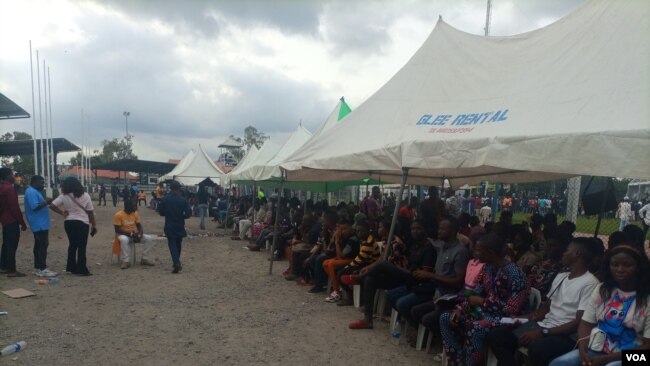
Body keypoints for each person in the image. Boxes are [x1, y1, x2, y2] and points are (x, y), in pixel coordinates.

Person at [486, 237, 599, 366]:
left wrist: (543, 332)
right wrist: (520, 319)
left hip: (566, 335)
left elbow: (579, 322)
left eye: (567, 250)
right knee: (497, 336)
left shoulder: (590, 283)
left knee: (537, 349)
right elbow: (544, 310)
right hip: (545, 326)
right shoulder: (561, 277)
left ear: (577, 253)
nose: (564, 253)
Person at [549, 244, 650, 366]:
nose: (620, 269)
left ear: (639, 267)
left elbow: (647, 347)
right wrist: (583, 351)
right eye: (615, 265)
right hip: (597, 350)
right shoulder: (602, 290)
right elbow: (586, 323)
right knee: (559, 363)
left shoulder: (646, 298)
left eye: (627, 265)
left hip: (636, 357)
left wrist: (607, 359)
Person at [439, 233, 530, 366]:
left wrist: (482, 302)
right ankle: (458, 361)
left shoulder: (514, 274)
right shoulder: (487, 268)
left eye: (478, 250)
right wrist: (459, 309)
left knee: (475, 327)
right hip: (488, 314)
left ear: (491, 252)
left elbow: (513, 308)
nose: (474, 253)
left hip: (512, 319)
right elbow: (475, 293)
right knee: (447, 318)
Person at [348, 219, 436, 329]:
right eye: (413, 229)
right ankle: (368, 319)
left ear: (425, 230)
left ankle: (360, 278)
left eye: (418, 228)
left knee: (383, 264)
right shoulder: (414, 245)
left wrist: (399, 269)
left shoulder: (428, 249)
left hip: (415, 281)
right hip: (404, 276)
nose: (414, 231)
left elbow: (423, 274)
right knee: (370, 279)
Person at [50, 177, 97, 276]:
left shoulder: (64, 195)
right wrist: (94, 224)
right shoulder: (85, 195)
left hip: (69, 222)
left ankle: (70, 268)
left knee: (72, 245)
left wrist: (62, 213)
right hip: (82, 222)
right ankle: (81, 269)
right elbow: (90, 212)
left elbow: (52, 206)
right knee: (81, 246)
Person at [23, 175, 57, 277]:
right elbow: (35, 207)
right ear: (34, 182)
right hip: (39, 223)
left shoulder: (34, 191)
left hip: (40, 222)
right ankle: (42, 268)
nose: (43, 185)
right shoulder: (31, 192)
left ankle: (38, 267)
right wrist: (47, 201)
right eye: (41, 183)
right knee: (43, 244)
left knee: (38, 245)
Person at [158, 180, 191, 274]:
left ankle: (176, 262)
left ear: (170, 188)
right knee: (178, 243)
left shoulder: (165, 199)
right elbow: (188, 214)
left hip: (169, 224)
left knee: (171, 243)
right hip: (180, 224)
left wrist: (168, 213)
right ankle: (176, 261)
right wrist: (181, 216)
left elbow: (161, 212)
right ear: (179, 189)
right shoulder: (183, 199)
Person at [0, 168, 28, 277]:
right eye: (12, 174)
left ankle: (3, 266)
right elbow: (14, 208)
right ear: (7, 175)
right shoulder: (9, 189)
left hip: (4, 219)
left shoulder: (1, 187)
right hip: (12, 219)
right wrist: (22, 222)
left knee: (6, 244)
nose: (14, 177)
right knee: (12, 245)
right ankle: (12, 270)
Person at [113, 199, 156, 269]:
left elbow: (139, 225)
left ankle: (144, 259)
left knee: (148, 238)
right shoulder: (118, 215)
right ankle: (126, 261)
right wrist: (131, 234)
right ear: (127, 207)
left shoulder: (135, 214)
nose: (135, 207)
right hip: (123, 235)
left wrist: (140, 234)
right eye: (133, 206)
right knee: (124, 240)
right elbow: (117, 229)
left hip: (133, 234)